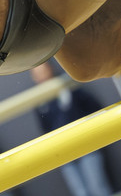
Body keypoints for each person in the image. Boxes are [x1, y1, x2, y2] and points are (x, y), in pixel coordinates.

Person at [31, 62, 113, 196]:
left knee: (97, 187)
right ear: (34, 78)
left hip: (85, 145)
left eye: (43, 70)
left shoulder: (67, 85)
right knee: (80, 192)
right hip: (63, 154)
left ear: (50, 69)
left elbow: (92, 105)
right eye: (37, 73)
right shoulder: (39, 101)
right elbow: (45, 128)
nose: (42, 75)